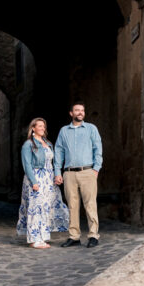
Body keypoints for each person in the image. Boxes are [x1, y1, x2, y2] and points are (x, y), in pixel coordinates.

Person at [53, 101, 103, 248]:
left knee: (90, 204)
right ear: (71, 113)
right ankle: (74, 236)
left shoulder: (91, 129)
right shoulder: (63, 131)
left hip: (87, 171)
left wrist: (96, 169)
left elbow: (97, 149)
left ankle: (93, 235)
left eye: (82, 110)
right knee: (72, 206)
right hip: (69, 174)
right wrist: (58, 172)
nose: (80, 112)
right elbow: (58, 152)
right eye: (77, 110)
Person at [16, 117, 69, 249]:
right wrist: (34, 181)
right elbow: (27, 165)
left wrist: (56, 175)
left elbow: (52, 161)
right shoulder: (28, 144)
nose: (42, 128)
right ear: (33, 128)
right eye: (39, 126)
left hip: (48, 179)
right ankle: (34, 239)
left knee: (46, 207)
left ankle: (43, 236)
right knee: (35, 208)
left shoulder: (47, 143)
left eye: (43, 126)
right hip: (36, 178)